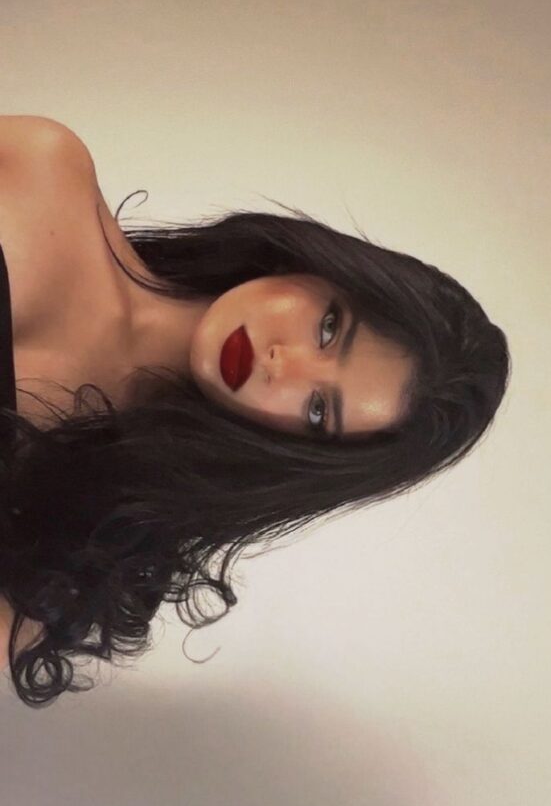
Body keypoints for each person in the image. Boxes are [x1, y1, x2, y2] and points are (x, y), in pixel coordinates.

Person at [0, 119, 510, 708]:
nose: (281, 364)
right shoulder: (44, 165)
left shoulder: (71, 550)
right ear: (319, 268)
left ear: (296, 449)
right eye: (328, 328)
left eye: (318, 409)